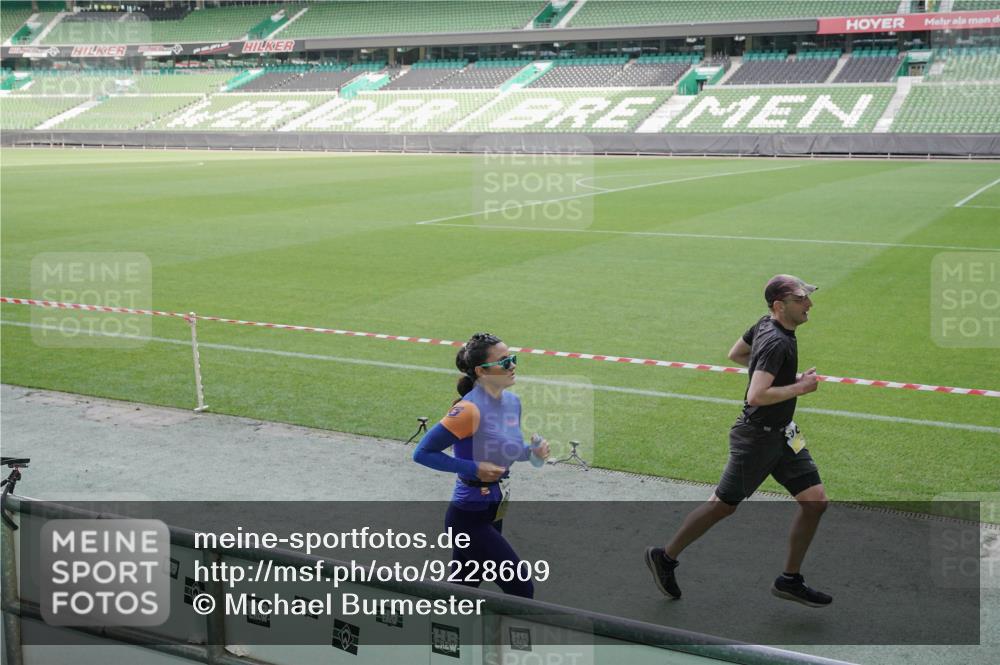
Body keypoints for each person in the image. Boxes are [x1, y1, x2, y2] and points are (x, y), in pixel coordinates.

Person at [646, 275, 832, 608]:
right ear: (780, 306)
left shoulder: (765, 325)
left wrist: (779, 377)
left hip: (782, 435)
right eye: (802, 298)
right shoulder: (778, 341)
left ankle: (789, 580)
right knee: (722, 506)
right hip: (756, 441)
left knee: (816, 501)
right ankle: (665, 557)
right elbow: (757, 395)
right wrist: (799, 387)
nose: (809, 304)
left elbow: (736, 353)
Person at [413, 332, 549, 598]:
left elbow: (507, 451)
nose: (512, 365)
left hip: (493, 510)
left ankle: (445, 637)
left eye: (512, 358)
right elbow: (423, 453)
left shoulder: (512, 402)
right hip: (467, 517)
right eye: (503, 361)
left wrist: (533, 453)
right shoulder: (468, 410)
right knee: (521, 587)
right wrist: (473, 468)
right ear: (481, 371)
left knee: (463, 586)